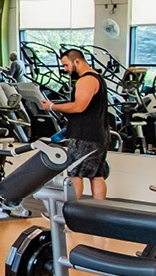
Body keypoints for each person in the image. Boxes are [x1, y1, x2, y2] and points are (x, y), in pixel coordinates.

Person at [42, 49, 110, 200]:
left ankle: (73, 215)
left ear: (77, 61)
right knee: (96, 175)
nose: (65, 69)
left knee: (74, 174)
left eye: (66, 65)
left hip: (85, 136)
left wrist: (52, 106)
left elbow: (79, 106)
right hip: (98, 135)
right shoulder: (98, 78)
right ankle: (98, 213)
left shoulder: (86, 80)